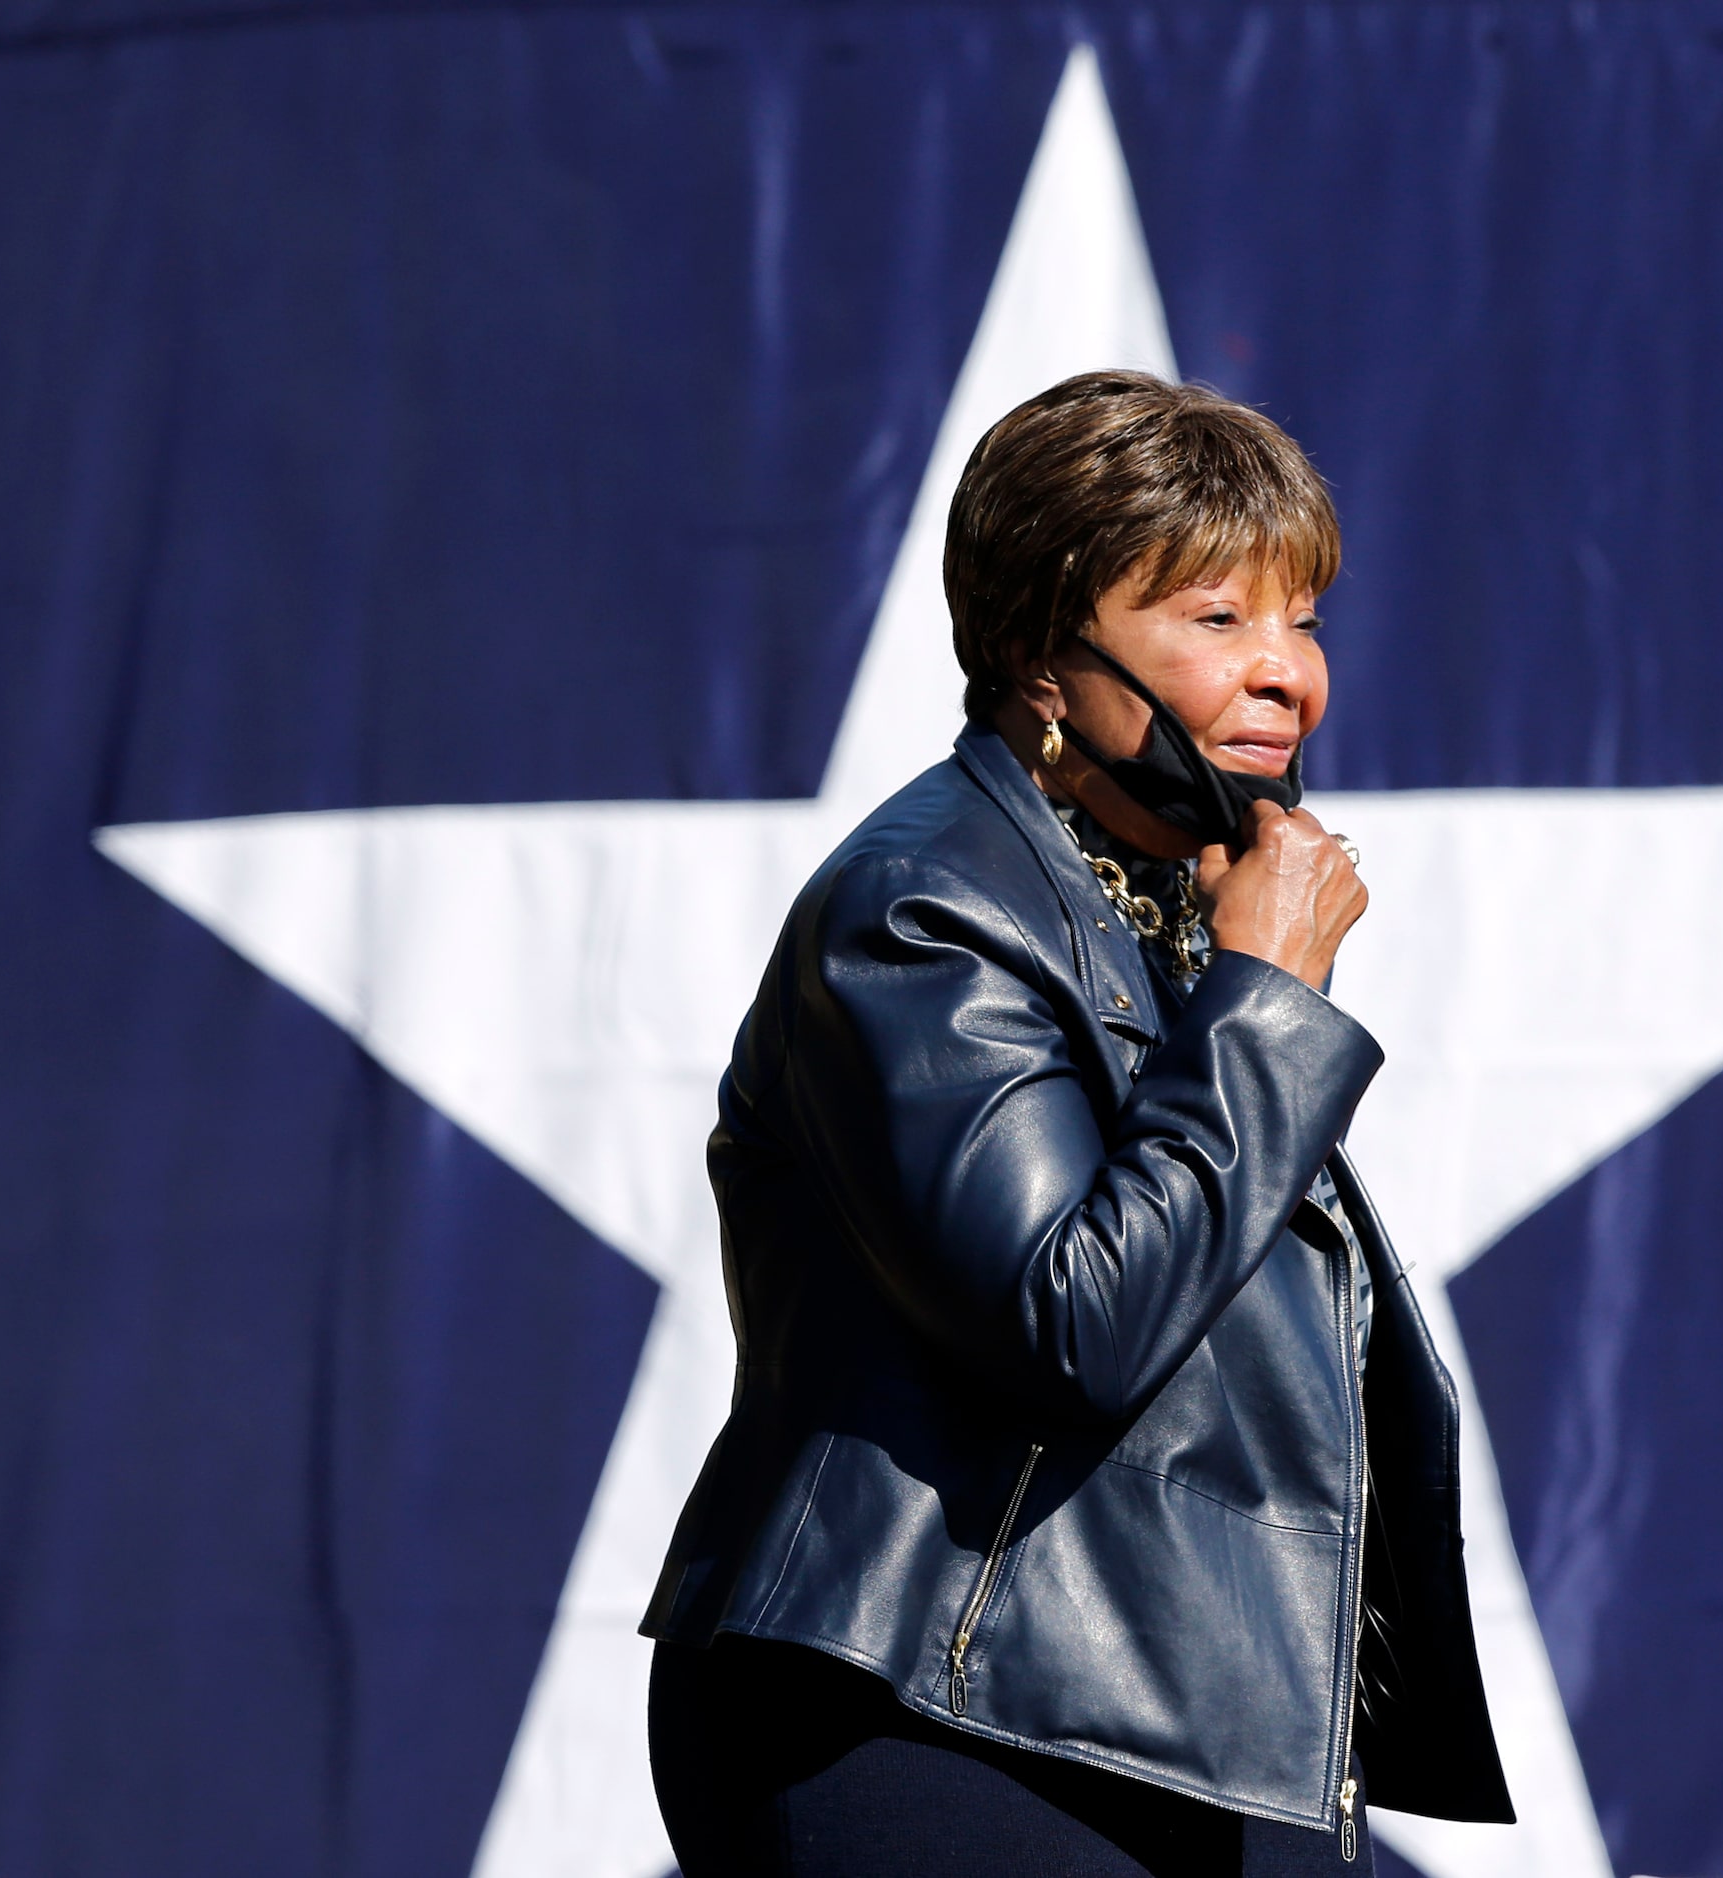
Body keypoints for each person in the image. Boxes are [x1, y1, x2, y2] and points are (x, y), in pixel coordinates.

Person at [641, 370, 1513, 1876]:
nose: (1283, 675)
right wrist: (1268, 1000)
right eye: (1214, 620)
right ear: (1047, 651)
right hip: (927, 1715)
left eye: (1299, 621)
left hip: (1165, 1709)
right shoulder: (925, 909)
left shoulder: (1163, 902)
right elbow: (1074, 1317)